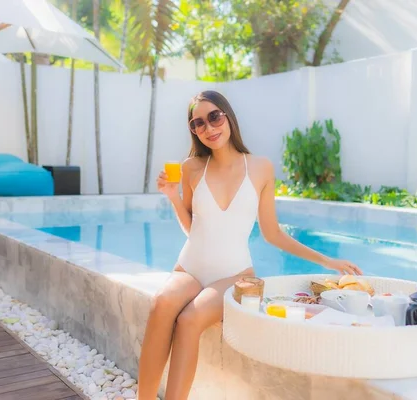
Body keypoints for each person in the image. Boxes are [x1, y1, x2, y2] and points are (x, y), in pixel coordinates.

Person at [135, 90, 362, 400]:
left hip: (232, 273)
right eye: (198, 123)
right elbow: (192, 229)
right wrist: (173, 197)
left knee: (189, 320)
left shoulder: (259, 168)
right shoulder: (190, 168)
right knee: (162, 303)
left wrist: (329, 262)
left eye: (214, 116)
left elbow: (272, 234)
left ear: (228, 116)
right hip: (189, 266)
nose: (209, 128)